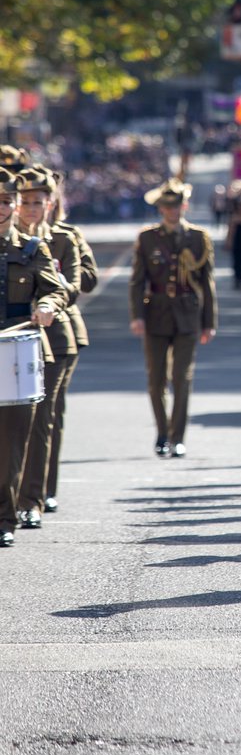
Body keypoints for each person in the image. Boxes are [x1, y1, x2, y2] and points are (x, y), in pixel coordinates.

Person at [0, 167, 66, 548]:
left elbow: (55, 291)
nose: (4, 208)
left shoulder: (30, 248)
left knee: (13, 439)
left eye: (8, 201)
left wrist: (45, 305)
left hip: (16, 350)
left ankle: (6, 518)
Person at [129, 177, 217, 457]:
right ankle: (162, 433)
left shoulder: (198, 237)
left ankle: (178, 437)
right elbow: (137, 281)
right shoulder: (147, 238)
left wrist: (209, 322)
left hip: (187, 314)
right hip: (155, 313)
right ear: (160, 208)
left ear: (184, 205)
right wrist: (137, 316)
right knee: (156, 380)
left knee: (181, 377)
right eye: (167, 206)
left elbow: (207, 282)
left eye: (176, 205)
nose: (172, 210)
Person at [15, 167, 81, 528]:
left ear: (49, 204)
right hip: (11, 336)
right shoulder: (6, 239)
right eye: (23, 202)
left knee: (42, 418)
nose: (29, 208)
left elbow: (72, 284)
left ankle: (32, 499)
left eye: (36, 202)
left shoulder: (62, 239)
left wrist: (48, 304)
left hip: (54, 338)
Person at [44, 169, 98, 512]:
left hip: (59, 327)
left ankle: (40, 488)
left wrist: (60, 278)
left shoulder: (67, 235)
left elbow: (86, 280)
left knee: (48, 411)